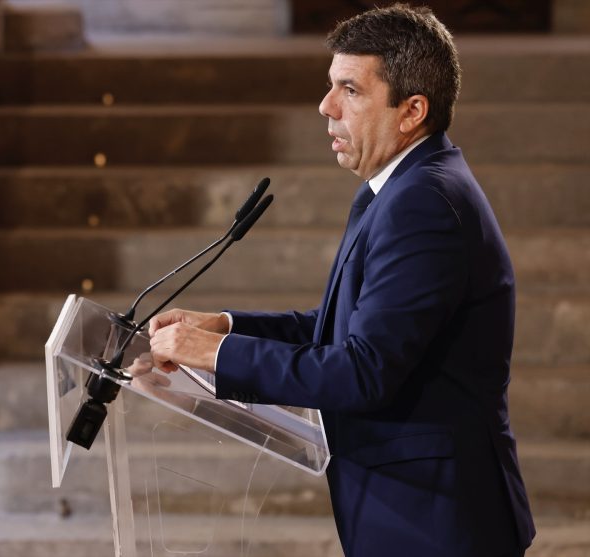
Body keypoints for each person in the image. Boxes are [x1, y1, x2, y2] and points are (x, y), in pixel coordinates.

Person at [147, 4, 535, 557]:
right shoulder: (400, 189)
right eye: (331, 86)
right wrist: (225, 328)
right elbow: (343, 329)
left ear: (412, 111)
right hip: (416, 511)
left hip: (435, 520)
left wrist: (214, 354)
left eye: (350, 90)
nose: (326, 106)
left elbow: (363, 370)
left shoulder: (423, 202)